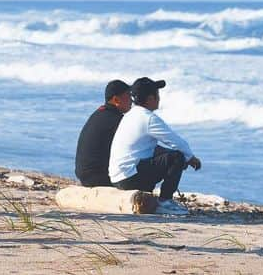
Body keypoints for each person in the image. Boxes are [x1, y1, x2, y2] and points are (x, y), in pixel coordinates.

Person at [108, 77, 201, 215]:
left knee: (167, 153)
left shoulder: (130, 115)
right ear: (151, 98)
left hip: (117, 177)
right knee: (177, 157)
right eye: (157, 95)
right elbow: (175, 141)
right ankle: (165, 202)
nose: (159, 99)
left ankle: (163, 200)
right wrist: (190, 158)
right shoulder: (148, 118)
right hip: (130, 178)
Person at [74, 80, 132, 187]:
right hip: (98, 177)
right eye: (128, 96)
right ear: (116, 99)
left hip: (86, 175)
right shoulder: (116, 119)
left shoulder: (100, 113)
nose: (131, 100)